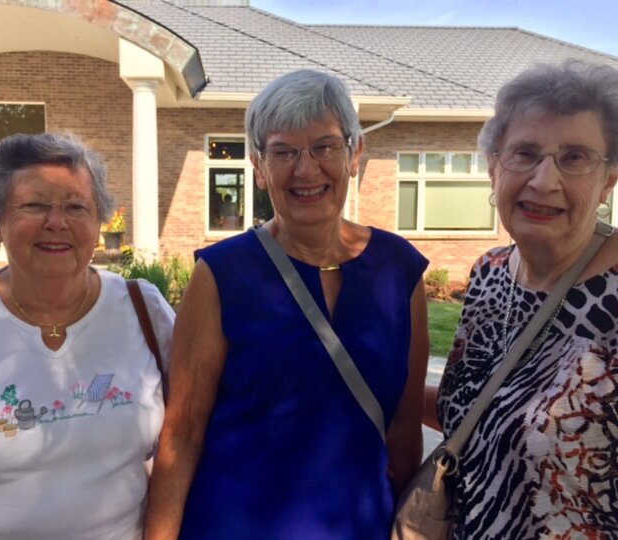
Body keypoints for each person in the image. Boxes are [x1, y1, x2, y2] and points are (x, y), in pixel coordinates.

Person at [146, 69, 430, 540]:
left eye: (325, 146)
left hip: (359, 527)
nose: (306, 169)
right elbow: (182, 433)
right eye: (283, 151)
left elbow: (403, 425)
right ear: (259, 167)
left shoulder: (399, 270)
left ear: (355, 153)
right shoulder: (221, 273)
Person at [0, 132, 174, 539]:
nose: (57, 223)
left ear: (98, 222)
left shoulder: (145, 309)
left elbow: (186, 442)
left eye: (76, 207)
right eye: (34, 206)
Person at [426, 60, 618, 538]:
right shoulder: (490, 274)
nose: (544, 181)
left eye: (575, 157)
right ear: (494, 166)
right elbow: (480, 406)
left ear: (610, 178)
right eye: (525, 153)